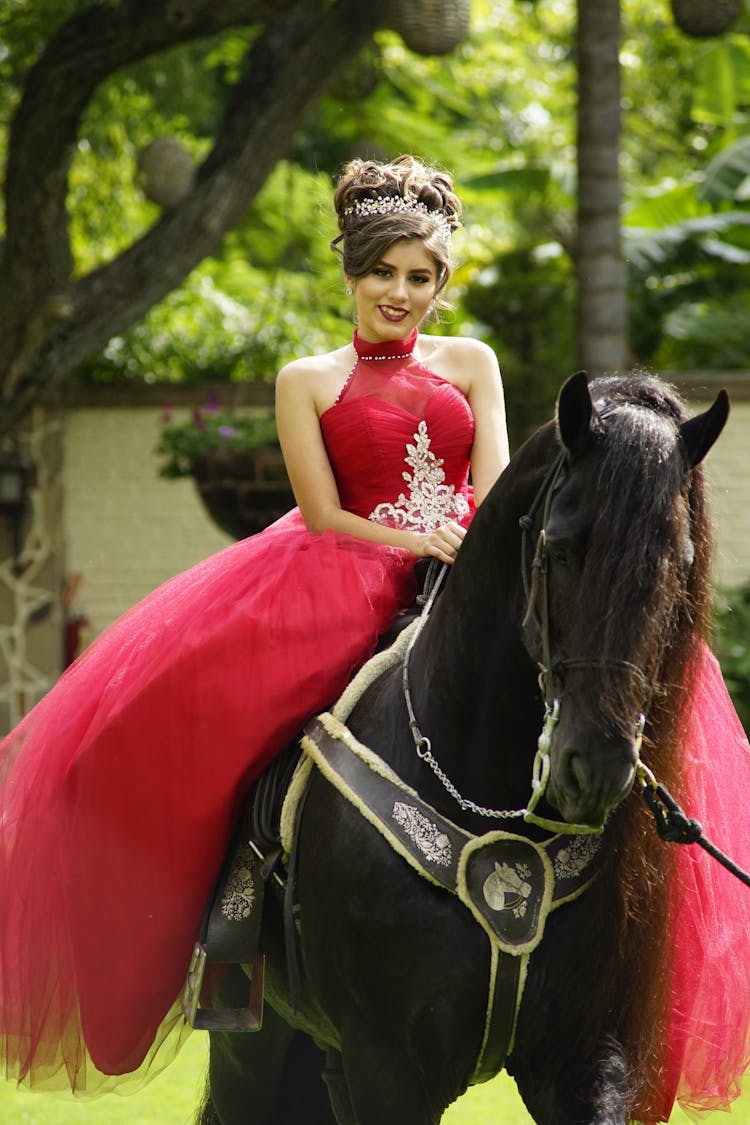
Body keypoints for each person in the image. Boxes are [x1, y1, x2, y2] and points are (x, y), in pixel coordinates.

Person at [0, 155, 509, 1096]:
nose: (399, 293)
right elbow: (323, 515)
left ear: (440, 283)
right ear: (351, 274)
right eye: (382, 272)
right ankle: (235, 923)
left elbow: (499, 482)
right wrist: (414, 538)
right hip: (343, 569)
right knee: (213, 727)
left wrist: (463, 542)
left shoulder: (473, 364)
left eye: (420, 276)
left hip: (463, 566)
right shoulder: (306, 378)